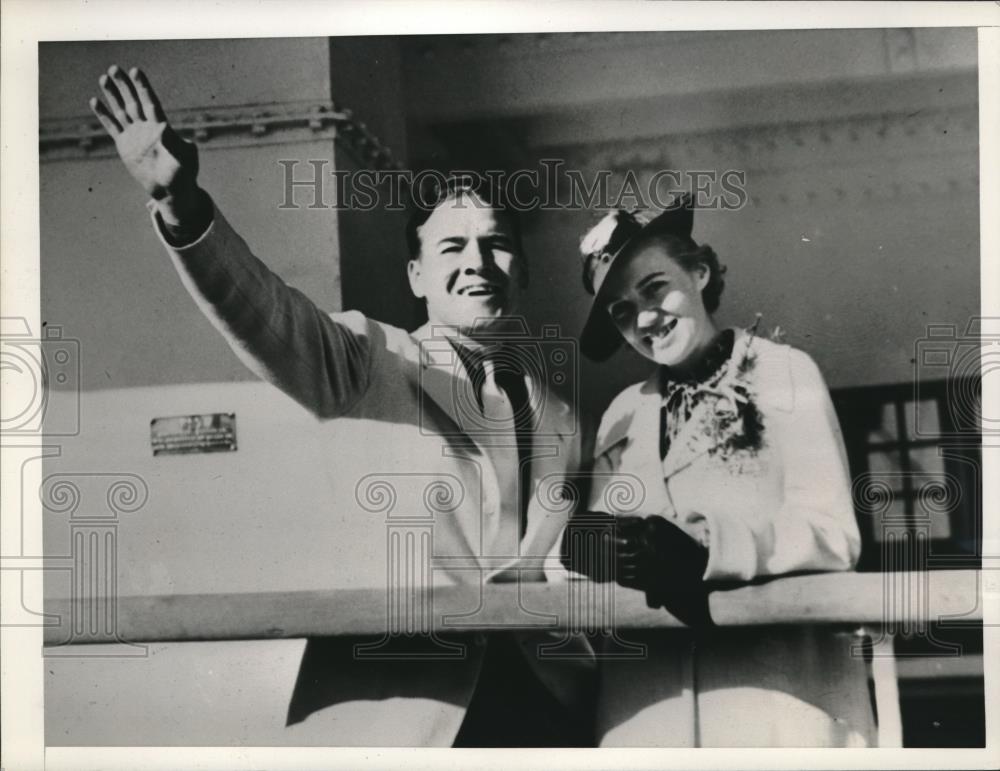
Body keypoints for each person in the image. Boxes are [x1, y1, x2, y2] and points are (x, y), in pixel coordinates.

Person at [89, 65, 594, 747]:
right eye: (451, 246)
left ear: (524, 268)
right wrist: (183, 204)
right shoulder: (365, 360)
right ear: (416, 276)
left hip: (539, 707)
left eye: (496, 243)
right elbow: (262, 309)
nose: (477, 261)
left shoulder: (561, 414)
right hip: (400, 714)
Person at [560, 200, 877, 746]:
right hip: (651, 708)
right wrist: (584, 550)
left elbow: (834, 536)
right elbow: (604, 543)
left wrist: (711, 549)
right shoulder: (622, 414)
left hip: (772, 699)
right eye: (619, 309)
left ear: (700, 273)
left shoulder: (781, 372)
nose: (644, 318)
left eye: (655, 287)